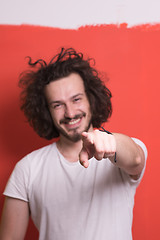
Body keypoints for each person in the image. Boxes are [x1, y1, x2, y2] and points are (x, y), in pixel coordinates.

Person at [0, 48, 147, 240]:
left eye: (76, 99)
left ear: (91, 100)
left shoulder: (122, 151)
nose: (70, 113)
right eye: (58, 105)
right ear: (47, 111)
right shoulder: (27, 169)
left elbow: (135, 158)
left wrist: (110, 142)